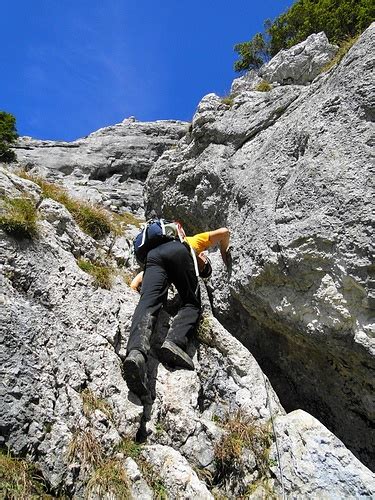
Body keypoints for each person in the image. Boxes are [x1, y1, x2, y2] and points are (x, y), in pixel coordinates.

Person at [124, 226, 230, 398]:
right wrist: (225, 254)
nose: (202, 265)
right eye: (204, 266)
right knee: (192, 303)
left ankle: (136, 353)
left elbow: (136, 282)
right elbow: (225, 232)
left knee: (148, 303)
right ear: (201, 258)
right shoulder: (193, 242)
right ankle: (175, 342)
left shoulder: (157, 249)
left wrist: (135, 290)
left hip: (153, 258)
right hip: (178, 251)